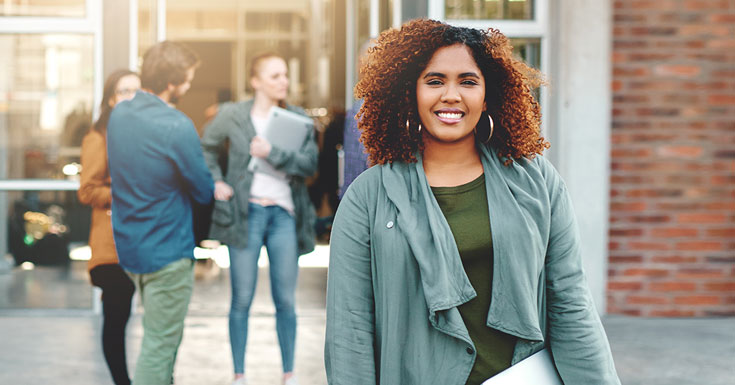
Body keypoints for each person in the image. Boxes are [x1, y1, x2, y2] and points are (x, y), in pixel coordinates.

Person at [325, 19, 621, 385]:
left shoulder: (539, 182)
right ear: (408, 92)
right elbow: (349, 330)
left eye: (468, 81)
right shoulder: (367, 198)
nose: (451, 95)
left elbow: (572, 306)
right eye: (435, 81)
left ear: (488, 94)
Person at [201, 52, 317, 385]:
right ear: (256, 81)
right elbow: (205, 146)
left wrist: (272, 154)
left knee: (285, 299)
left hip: (284, 215)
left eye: (285, 75)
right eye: (275, 76)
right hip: (246, 213)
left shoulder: (297, 118)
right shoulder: (233, 115)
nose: (284, 81)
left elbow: (309, 165)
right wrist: (216, 180)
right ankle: (239, 375)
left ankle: (289, 374)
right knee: (241, 298)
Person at [106, 41, 214, 385]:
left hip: (130, 247)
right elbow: (203, 188)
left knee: (161, 339)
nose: (189, 85)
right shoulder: (176, 125)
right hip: (166, 250)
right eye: (187, 79)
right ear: (172, 82)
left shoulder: (120, 114)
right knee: (159, 344)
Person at [78, 69, 140, 385]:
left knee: (132, 316)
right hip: (111, 246)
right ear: (112, 99)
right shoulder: (97, 138)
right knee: (116, 319)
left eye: (137, 90)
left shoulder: (143, 135)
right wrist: (126, 194)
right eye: (124, 90)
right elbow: (87, 190)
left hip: (141, 243)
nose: (131, 96)